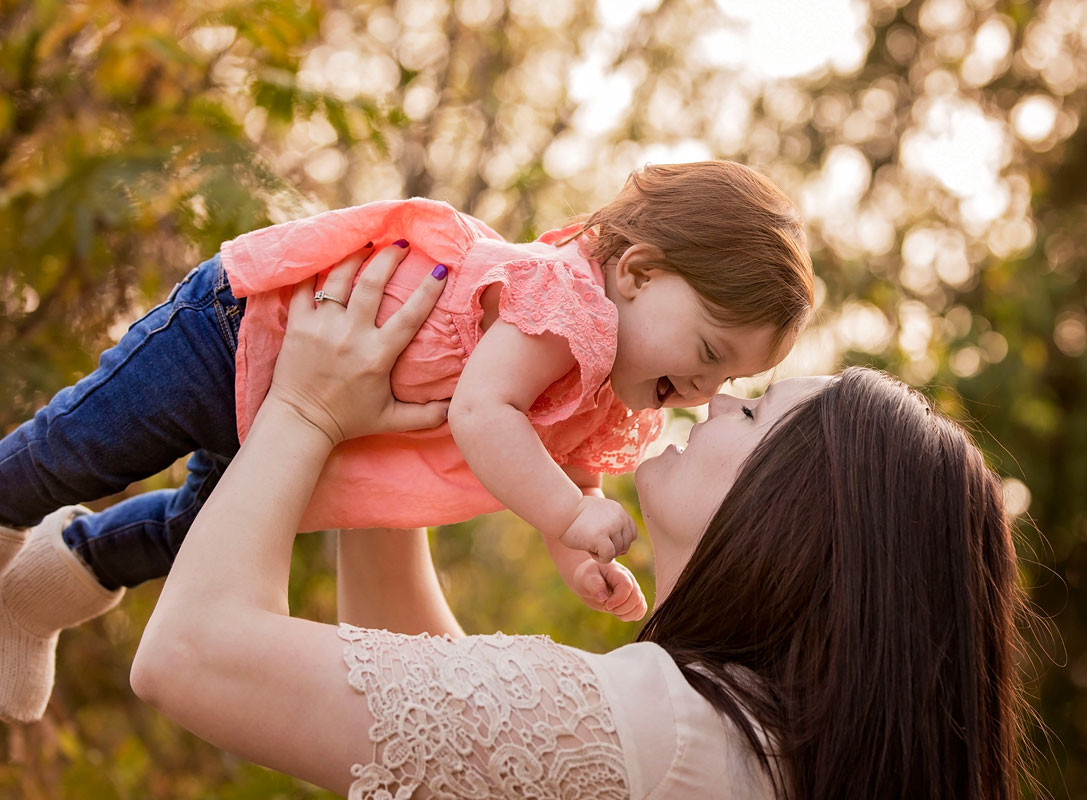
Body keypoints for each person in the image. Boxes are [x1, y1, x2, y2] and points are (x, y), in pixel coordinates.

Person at [126, 244, 1029, 798]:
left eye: (750, 415)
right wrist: (432, 407)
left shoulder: (678, 736)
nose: (713, 407)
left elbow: (194, 655)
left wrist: (309, 412)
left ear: (802, 523)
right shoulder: (737, 749)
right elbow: (428, 694)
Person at [0, 161, 813, 722]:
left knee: (190, 537)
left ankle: (43, 590)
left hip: (303, 422)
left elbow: (567, 459)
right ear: (637, 271)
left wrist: (573, 548)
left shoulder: (606, 383)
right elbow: (484, 415)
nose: (705, 393)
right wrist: (566, 516)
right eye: (709, 353)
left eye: (730, 379)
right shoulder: (565, 299)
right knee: (74, 449)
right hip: (238, 337)